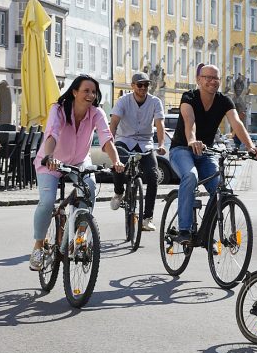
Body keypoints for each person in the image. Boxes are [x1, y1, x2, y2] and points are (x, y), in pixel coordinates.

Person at [30, 75, 124, 271]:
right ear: (74, 92)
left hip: (80, 162)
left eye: (93, 92)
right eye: (86, 91)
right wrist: (49, 157)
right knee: (47, 202)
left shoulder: (96, 113)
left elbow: (107, 138)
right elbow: (52, 134)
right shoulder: (58, 109)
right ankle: (38, 246)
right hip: (51, 163)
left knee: (89, 188)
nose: (90, 95)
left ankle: (80, 237)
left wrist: (116, 161)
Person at [169, 65, 257, 246]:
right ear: (199, 80)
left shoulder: (224, 101)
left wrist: (251, 147)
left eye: (216, 78)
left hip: (206, 152)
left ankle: (206, 231)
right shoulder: (189, 97)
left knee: (221, 190)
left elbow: (236, 123)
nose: (212, 81)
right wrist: (192, 140)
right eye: (207, 77)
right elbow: (189, 120)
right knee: (190, 176)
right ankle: (184, 230)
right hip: (182, 149)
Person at [108, 71, 167, 231]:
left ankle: (147, 218)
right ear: (132, 86)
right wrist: (110, 143)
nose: (143, 88)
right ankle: (119, 192)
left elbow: (159, 125)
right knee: (118, 165)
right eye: (139, 85)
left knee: (153, 176)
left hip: (145, 143)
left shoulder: (155, 102)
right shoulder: (123, 101)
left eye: (146, 85)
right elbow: (113, 124)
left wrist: (161, 144)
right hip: (125, 140)